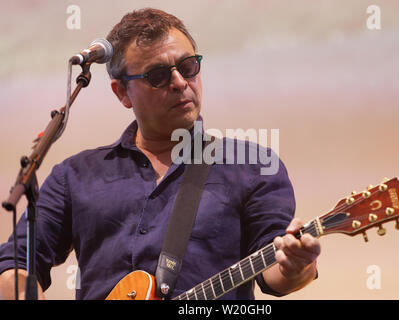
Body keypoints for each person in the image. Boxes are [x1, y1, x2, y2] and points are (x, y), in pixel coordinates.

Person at [0, 8, 320, 300]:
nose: (180, 82)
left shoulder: (252, 167)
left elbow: (277, 273)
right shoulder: (76, 175)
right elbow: (15, 263)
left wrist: (297, 265)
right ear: (122, 92)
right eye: (158, 75)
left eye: (188, 66)